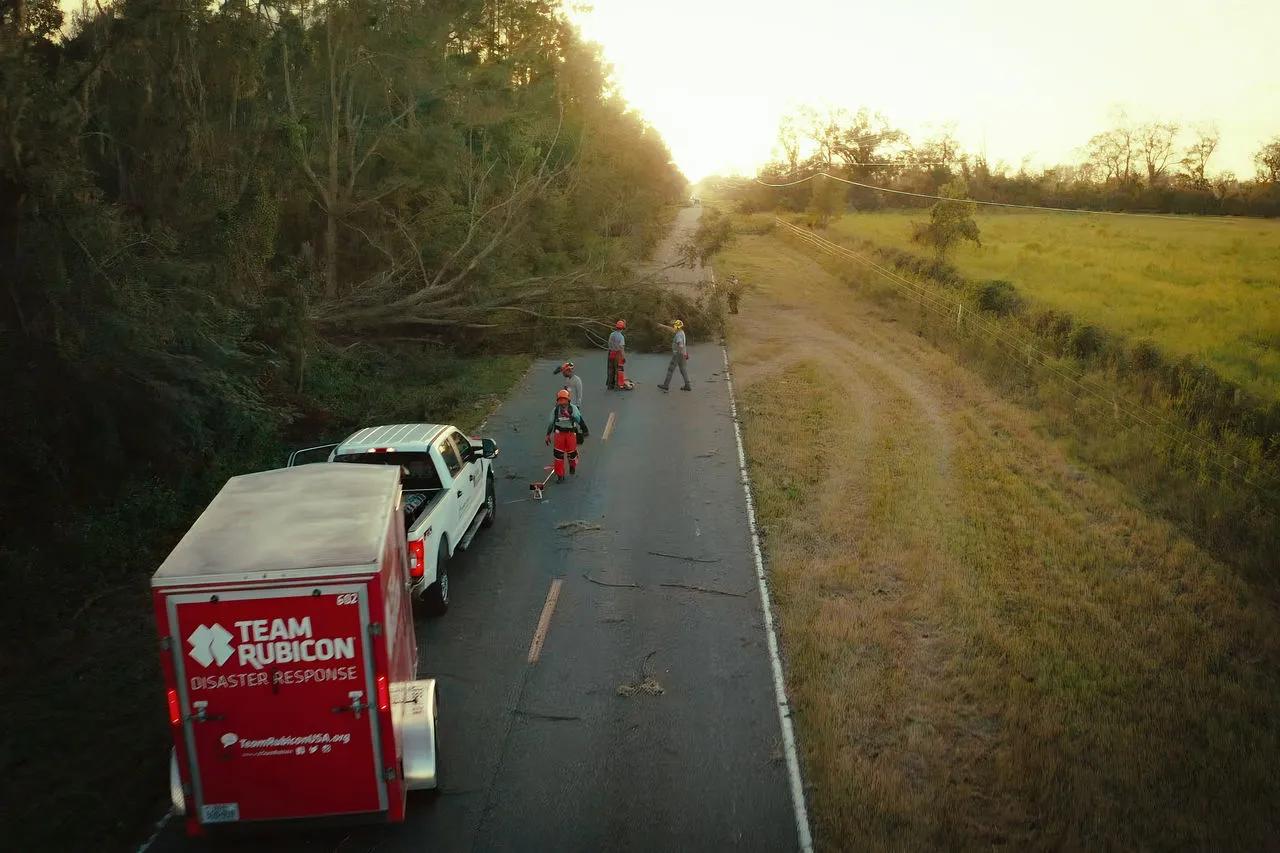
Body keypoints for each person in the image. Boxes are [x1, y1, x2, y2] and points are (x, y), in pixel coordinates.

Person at [544, 389, 589, 482]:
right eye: (560, 400)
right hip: (560, 434)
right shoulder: (556, 410)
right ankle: (560, 475)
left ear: (568, 400)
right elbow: (551, 423)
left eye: (564, 400)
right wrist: (548, 435)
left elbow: (578, 419)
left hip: (569, 434)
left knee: (571, 454)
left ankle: (572, 466)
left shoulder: (573, 409)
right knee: (559, 456)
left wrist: (570, 416)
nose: (562, 403)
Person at [658, 319, 691, 392]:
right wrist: (662, 326)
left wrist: (681, 353)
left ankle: (666, 385)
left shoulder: (678, 335)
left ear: (677, 327)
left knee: (670, 369)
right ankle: (687, 386)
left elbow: (681, 345)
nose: (674, 327)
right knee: (683, 370)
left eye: (674, 326)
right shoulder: (681, 332)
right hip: (682, 354)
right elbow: (671, 330)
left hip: (678, 354)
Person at [607, 319, 627, 390]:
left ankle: (610, 385)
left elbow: (609, 344)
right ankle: (617, 385)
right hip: (617, 354)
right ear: (623, 328)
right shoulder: (621, 337)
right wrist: (623, 357)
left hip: (610, 353)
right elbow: (621, 348)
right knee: (618, 370)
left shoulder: (611, 334)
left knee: (610, 370)